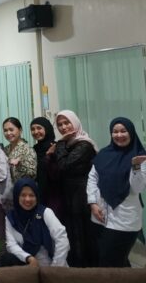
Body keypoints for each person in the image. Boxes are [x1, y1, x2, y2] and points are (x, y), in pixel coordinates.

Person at [87, 117, 146, 267]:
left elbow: (137, 189)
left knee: (111, 262)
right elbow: (92, 178)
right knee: (111, 261)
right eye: (115, 131)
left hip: (124, 219)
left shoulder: (140, 156)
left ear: (131, 133)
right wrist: (93, 203)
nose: (119, 135)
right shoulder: (104, 154)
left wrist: (136, 167)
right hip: (101, 215)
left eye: (123, 131)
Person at [47, 110, 97, 267]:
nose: (63, 127)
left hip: (82, 195)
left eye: (67, 123)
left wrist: (60, 144)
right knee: (72, 234)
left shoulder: (84, 145)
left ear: (75, 122)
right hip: (68, 194)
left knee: (83, 234)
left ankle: (87, 270)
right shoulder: (68, 144)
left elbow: (64, 165)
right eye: (60, 124)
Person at [2, 178, 69, 267]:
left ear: (37, 197)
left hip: (51, 264)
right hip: (27, 264)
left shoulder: (45, 213)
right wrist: (28, 258)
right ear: (16, 196)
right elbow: (11, 245)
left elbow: (62, 239)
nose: (27, 199)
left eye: (31, 195)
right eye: (23, 195)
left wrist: (55, 267)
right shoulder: (11, 218)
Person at [30, 117, 63, 214]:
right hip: (40, 193)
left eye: (39, 128)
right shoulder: (34, 149)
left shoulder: (57, 146)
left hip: (55, 194)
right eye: (33, 129)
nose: (36, 131)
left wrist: (50, 155)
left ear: (47, 129)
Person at [2, 117, 38, 204]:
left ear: (20, 130)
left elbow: (32, 173)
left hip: (24, 194)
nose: (8, 133)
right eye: (5, 130)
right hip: (8, 193)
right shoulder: (5, 149)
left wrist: (20, 164)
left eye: (11, 130)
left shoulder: (27, 149)